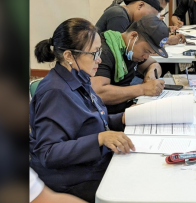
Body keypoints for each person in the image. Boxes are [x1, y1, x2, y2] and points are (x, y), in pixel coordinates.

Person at [30, 18, 135, 202]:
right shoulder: (55, 92)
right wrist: (100, 138)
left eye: (99, 51)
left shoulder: (79, 77)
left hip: (89, 164)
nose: (99, 59)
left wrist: (124, 118)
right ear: (69, 56)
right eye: (94, 53)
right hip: (71, 179)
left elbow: (89, 122)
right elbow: (48, 153)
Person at [91, 15, 169, 114]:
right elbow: (98, 92)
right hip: (107, 115)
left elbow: (154, 64)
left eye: (150, 53)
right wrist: (143, 89)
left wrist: (150, 76)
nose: (146, 56)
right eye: (146, 51)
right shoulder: (106, 51)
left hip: (124, 107)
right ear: (133, 36)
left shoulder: (131, 51)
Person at [96, 0, 162, 34]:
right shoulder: (119, 16)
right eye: (149, 16)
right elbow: (120, 49)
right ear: (140, 5)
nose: (148, 20)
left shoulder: (127, 16)